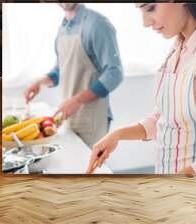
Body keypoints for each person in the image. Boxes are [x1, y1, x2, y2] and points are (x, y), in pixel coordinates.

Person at [87, 3, 196, 175]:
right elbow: (165, 118)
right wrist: (117, 135)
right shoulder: (176, 47)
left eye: (150, 8)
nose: (145, 23)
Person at [24, 3, 123, 147]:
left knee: (91, 167)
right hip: (69, 116)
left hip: (92, 118)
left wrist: (77, 100)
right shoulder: (63, 28)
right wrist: (40, 82)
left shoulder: (98, 24)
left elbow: (114, 73)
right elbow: (60, 70)